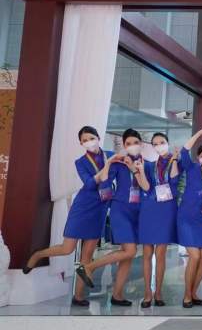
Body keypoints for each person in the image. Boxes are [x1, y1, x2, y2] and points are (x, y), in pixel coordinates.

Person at [23, 126, 117, 307]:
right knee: (67, 248)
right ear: (81, 143)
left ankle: (78, 296)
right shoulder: (80, 162)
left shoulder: (111, 155)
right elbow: (89, 184)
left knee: (87, 256)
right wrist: (106, 167)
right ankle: (37, 254)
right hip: (82, 207)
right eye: (84, 140)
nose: (88, 142)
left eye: (91, 138)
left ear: (98, 137)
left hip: (100, 209)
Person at [76, 128, 149, 307]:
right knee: (130, 251)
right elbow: (105, 181)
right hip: (120, 210)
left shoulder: (147, 164)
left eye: (135, 142)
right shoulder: (119, 163)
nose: (132, 146)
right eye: (128, 143)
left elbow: (148, 188)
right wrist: (111, 164)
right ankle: (89, 267)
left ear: (141, 143)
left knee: (127, 256)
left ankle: (117, 295)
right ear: (124, 145)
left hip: (138, 212)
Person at [138, 132, 180, 308]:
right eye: (155, 144)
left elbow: (174, 181)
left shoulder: (177, 161)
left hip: (166, 210)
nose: (159, 146)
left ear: (168, 143)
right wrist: (140, 171)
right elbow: (146, 187)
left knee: (161, 253)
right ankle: (147, 292)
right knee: (147, 253)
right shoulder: (150, 165)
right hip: (149, 209)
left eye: (161, 142)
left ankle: (159, 292)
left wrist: (175, 159)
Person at [176, 126, 202, 308]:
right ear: (198, 158)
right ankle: (186, 295)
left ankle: (193, 293)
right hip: (187, 218)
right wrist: (200, 133)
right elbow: (184, 151)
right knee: (195, 256)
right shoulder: (191, 167)